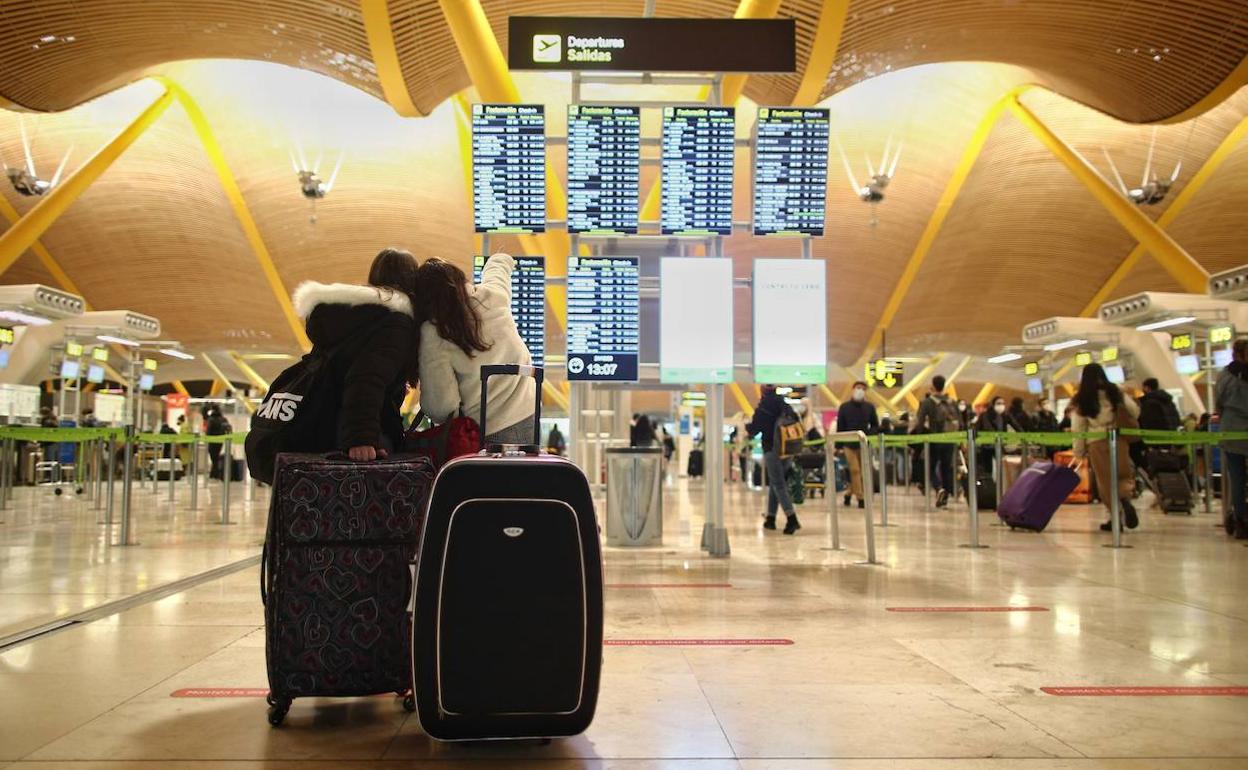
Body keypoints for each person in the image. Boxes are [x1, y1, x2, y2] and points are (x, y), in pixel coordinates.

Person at [291, 247, 420, 461]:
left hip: (323, 427)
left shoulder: (348, 319)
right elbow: (366, 379)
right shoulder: (396, 320)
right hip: (360, 437)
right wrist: (361, 438)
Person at [417, 254, 536, 446]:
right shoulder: (493, 296)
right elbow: (497, 271)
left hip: (482, 433)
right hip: (528, 416)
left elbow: (442, 407)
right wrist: (500, 257)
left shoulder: (434, 332)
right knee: (522, 476)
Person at [1071, 363, 1139, 532]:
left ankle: (1115, 517)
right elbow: (1134, 411)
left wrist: (1078, 451)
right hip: (1118, 439)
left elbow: (1078, 427)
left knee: (1105, 482)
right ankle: (1125, 498)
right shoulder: (1115, 391)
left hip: (1097, 442)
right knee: (1123, 475)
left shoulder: (1083, 398)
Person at [745, 385, 801, 534]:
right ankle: (770, 518)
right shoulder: (784, 404)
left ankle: (792, 518)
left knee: (778, 484)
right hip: (787, 448)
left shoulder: (764, 406)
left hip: (772, 448)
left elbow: (754, 429)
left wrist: (748, 428)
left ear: (763, 390)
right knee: (776, 482)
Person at [1215, 339, 1248, 539]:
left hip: (1232, 431)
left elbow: (1219, 402)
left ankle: (1240, 520)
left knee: (1237, 479)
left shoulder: (1225, 375)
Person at [911, 375, 961, 507]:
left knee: (929, 467)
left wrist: (918, 438)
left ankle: (939, 489)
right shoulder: (952, 402)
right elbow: (960, 422)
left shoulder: (927, 402)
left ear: (933, 385)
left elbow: (920, 422)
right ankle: (945, 497)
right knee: (947, 468)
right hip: (950, 439)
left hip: (934, 439)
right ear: (944, 386)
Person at [835, 381, 878, 509]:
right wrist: (838, 445)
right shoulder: (844, 407)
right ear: (853, 389)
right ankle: (860, 497)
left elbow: (875, 424)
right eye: (858, 388)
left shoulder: (869, 407)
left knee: (862, 472)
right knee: (855, 470)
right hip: (848, 443)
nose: (860, 390)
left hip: (863, 443)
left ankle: (848, 493)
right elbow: (840, 427)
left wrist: (869, 434)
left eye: (863, 389)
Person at [1134, 377, 1182, 469]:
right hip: (1170, 439)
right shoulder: (1169, 402)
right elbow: (1177, 419)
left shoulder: (1149, 403)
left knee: (1155, 465)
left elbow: (1147, 422)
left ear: (1147, 388)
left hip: (1155, 441)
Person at [975, 396, 1025, 473]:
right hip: (987, 445)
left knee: (1001, 467)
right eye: (998, 403)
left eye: (1002, 403)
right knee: (987, 469)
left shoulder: (1005, 415)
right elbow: (977, 429)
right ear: (993, 404)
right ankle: (989, 483)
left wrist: (1024, 436)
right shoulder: (985, 415)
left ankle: (1000, 483)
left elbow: (1016, 426)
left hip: (999, 444)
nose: (1001, 405)